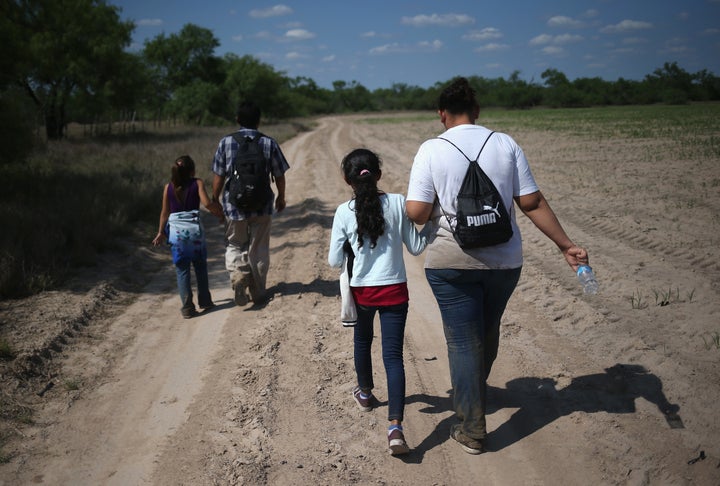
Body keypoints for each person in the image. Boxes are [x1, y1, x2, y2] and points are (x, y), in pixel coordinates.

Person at [405, 77, 589, 455]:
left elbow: (419, 213)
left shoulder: (431, 149)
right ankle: (473, 390)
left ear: (442, 114)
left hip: (451, 262)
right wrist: (566, 246)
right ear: (477, 112)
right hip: (504, 263)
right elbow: (532, 202)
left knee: (461, 341)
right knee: (486, 333)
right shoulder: (505, 144)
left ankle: (471, 427)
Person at [328, 149, 428, 456]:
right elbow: (416, 246)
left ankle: (366, 394)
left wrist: (349, 247)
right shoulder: (398, 203)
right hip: (395, 290)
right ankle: (395, 427)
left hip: (364, 293)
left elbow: (334, 261)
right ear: (379, 175)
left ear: (347, 180)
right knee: (393, 356)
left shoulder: (344, 212)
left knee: (362, 341)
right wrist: (434, 224)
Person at [212, 101, 290, 307]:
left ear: (237, 120)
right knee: (259, 247)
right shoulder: (269, 143)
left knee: (235, 243)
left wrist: (214, 200)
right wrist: (281, 197)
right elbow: (279, 174)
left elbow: (218, 176)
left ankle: (238, 273)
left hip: (234, 205)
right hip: (262, 204)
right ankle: (257, 291)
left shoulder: (225, 143)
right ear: (259, 120)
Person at [152, 155, 223, 319]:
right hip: (195, 234)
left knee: (182, 270)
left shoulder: (168, 187)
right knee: (200, 267)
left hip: (176, 235)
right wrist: (219, 213)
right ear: (192, 170)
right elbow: (206, 203)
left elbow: (165, 212)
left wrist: (161, 232)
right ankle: (205, 301)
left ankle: (187, 308)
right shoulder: (197, 183)